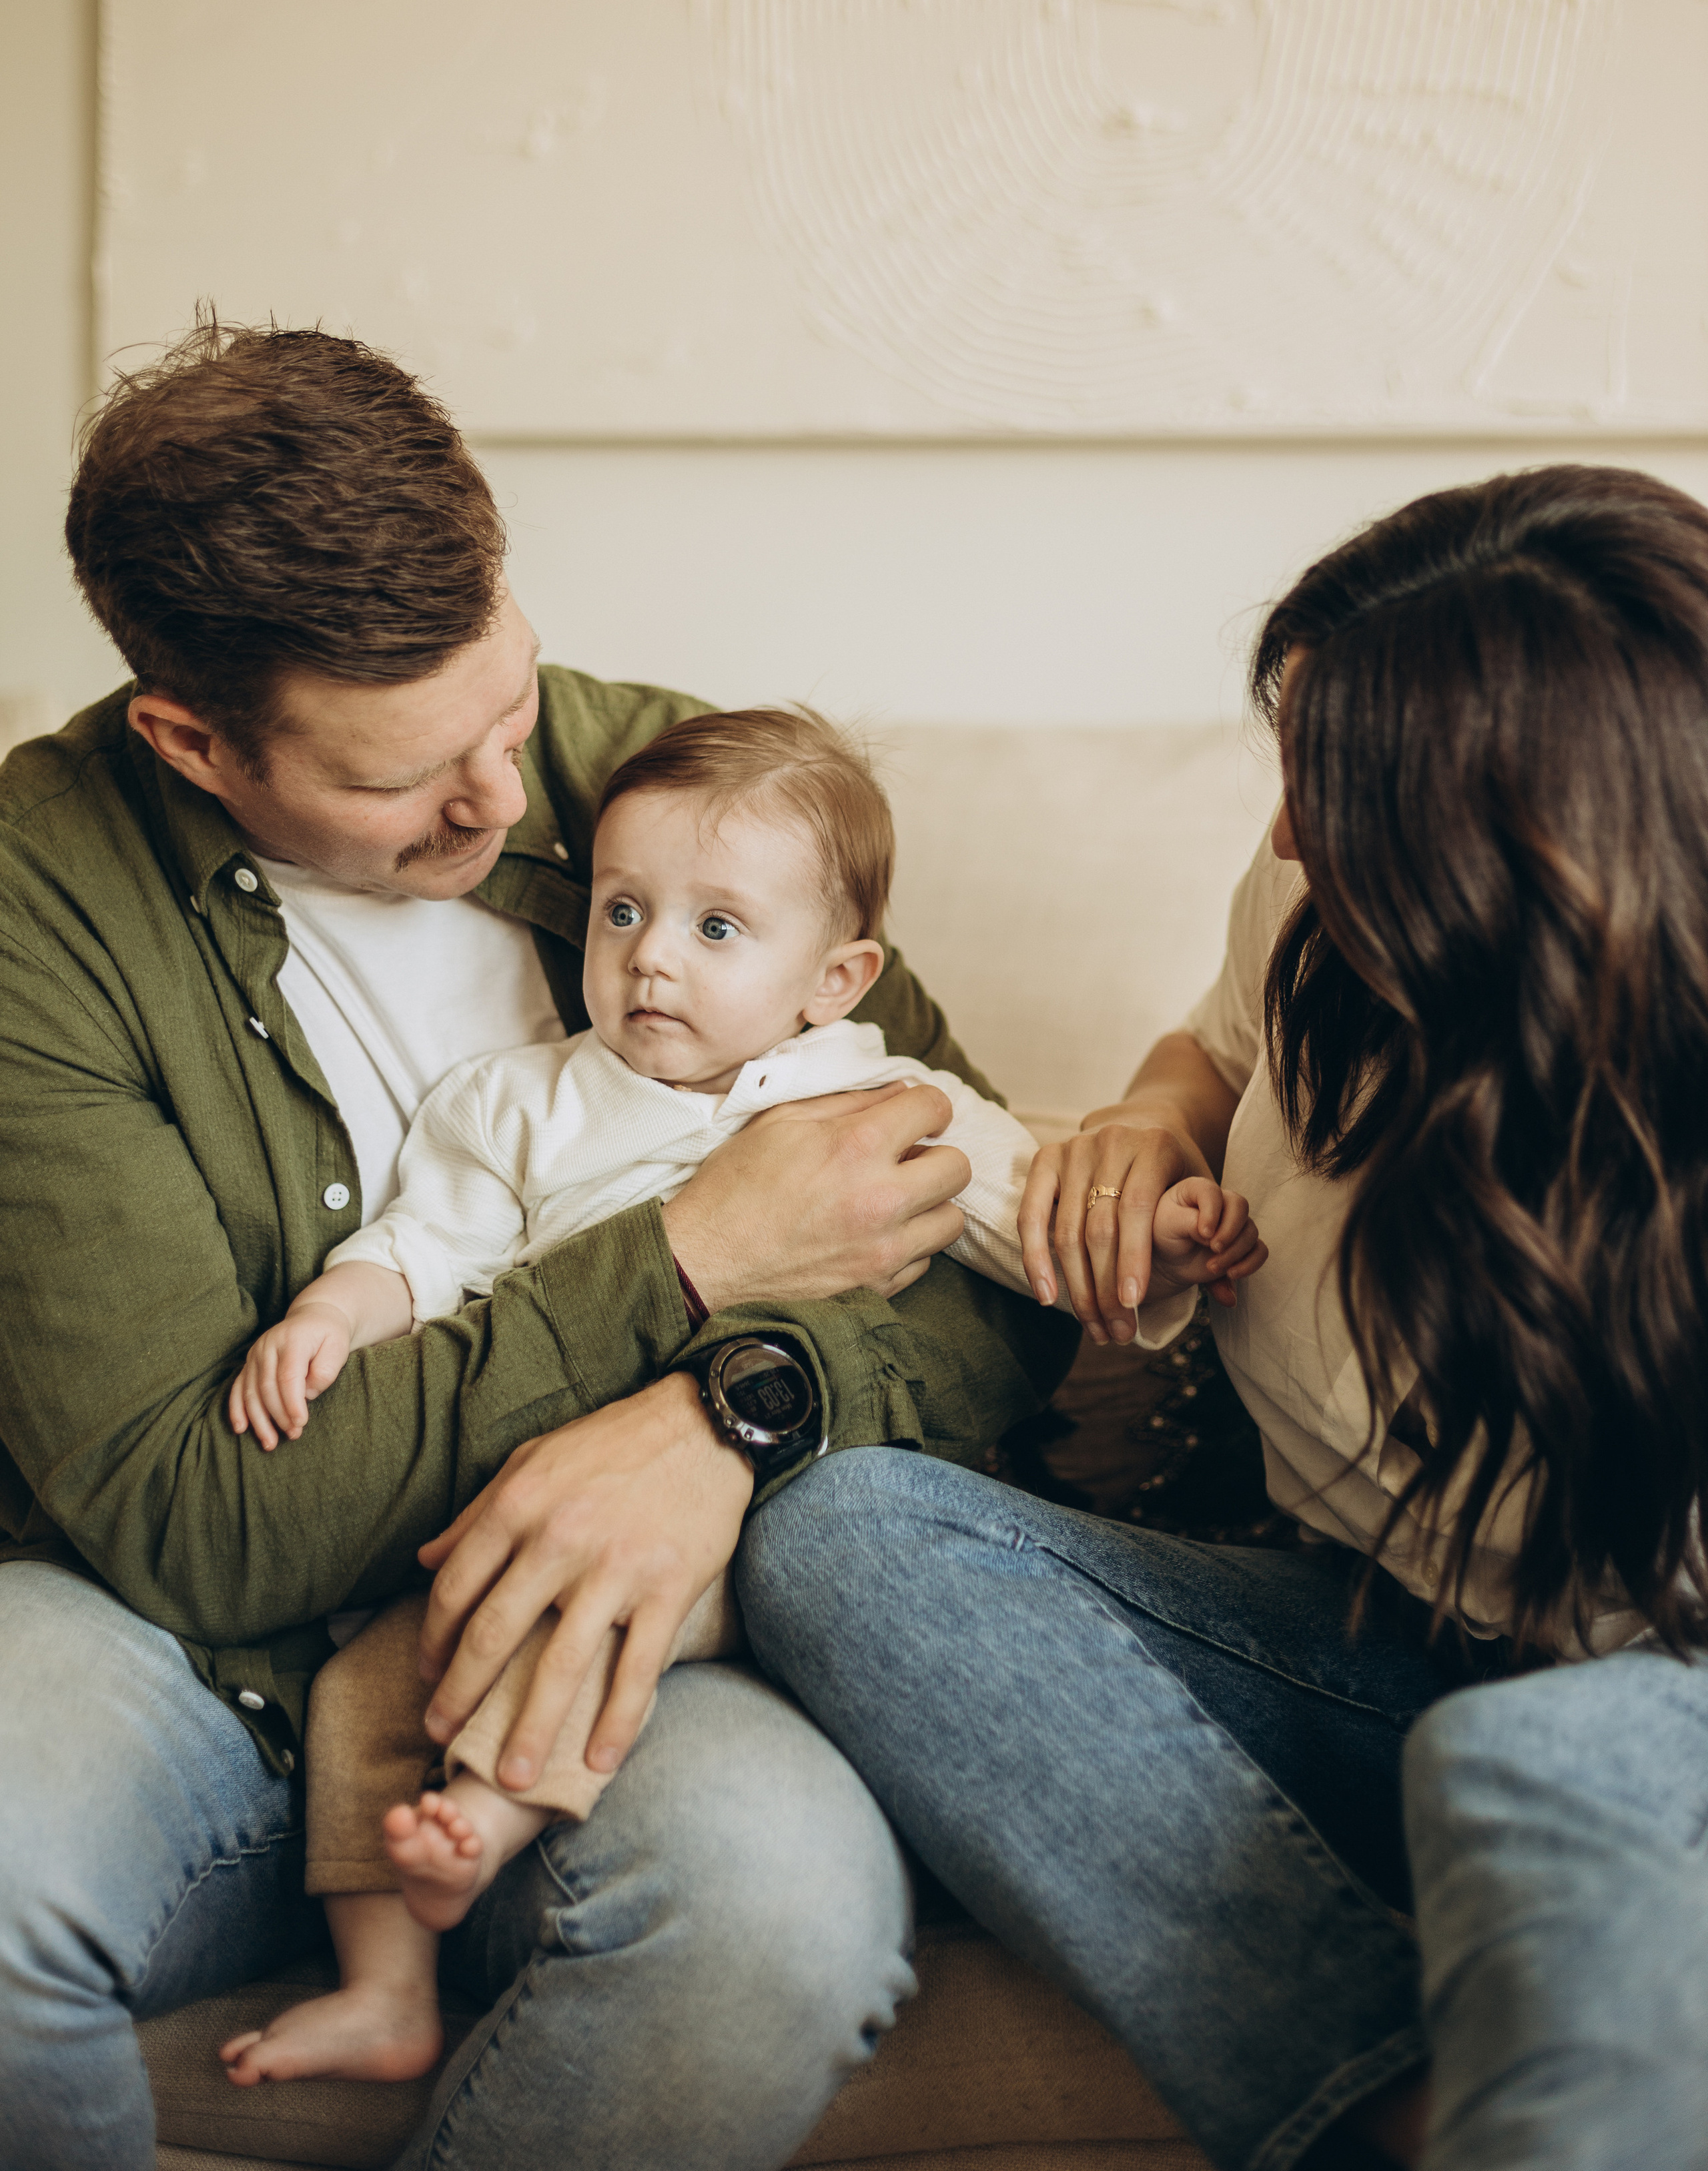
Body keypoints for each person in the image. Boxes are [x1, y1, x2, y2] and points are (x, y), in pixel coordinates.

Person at [0, 315, 1087, 2171]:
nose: (508, 802)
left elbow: (989, 1286)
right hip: (171, 1651)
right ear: (194, 739)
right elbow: (197, 1516)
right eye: (404, 781)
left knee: (773, 1923)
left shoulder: (668, 790)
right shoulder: (42, 901)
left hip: (614, 1657)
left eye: (501, 704)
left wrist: (728, 1411)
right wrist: (679, 1260)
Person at [738, 463, 1708, 2171]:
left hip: (1643, 1723)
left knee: (1534, 1759)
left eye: (1335, 791)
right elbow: (1213, 1051)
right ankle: (1375, 2117)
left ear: (1531, 860)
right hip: (1363, 1640)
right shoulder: (1320, 916)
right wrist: (1144, 1124)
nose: (1277, 831)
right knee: (846, 1537)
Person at [216, 701, 1257, 2090]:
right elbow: (427, 1246)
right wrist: (331, 1314)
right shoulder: (522, 1105)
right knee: (365, 1681)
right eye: (623, 912)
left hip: (775, 1518)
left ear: (834, 979)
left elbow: (1040, 1234)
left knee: (610, 1618)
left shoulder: (887, 1097)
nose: (651, 957)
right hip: (542, 1493)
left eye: (717, 930)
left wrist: (1170, 1235)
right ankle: (387, 1983)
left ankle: (502, 1811)